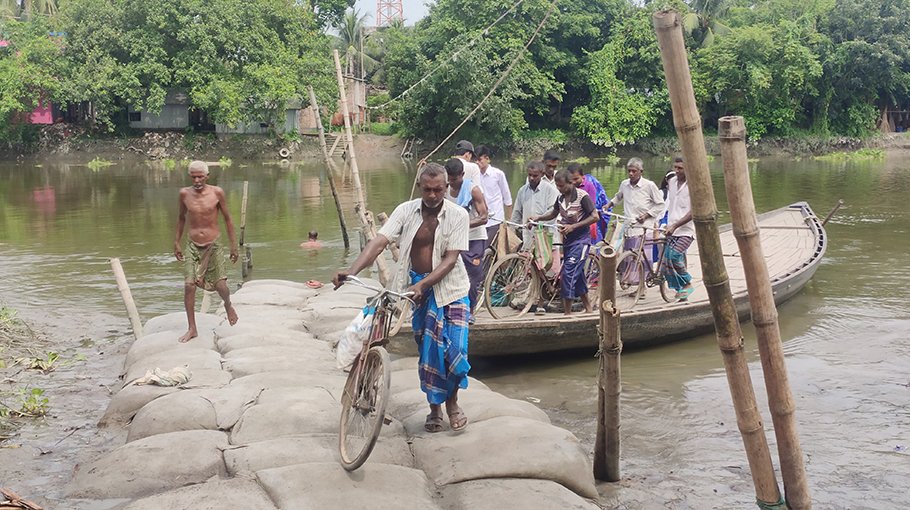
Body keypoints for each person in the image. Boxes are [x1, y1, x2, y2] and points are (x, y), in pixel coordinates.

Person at [332, 163, 471, 433]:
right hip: (415, 290)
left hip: (452, 290)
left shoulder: (457, 215)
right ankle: (435, 410)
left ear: (446, 188)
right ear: (420, 186)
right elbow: (379, 242)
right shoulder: (406, 211)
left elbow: (451, 259)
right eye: (427, 190)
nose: (432, 195)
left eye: (438, 190)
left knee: (455, 351)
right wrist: (351, 270)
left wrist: (425, 285)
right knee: (429, 352)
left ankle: (453, 403)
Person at [174, 161, 239, 342]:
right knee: (189, 285)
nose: (197, 180)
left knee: (221, 286)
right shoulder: (184, 194)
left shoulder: (217, 193)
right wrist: (176, 242)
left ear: (207, 176)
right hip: (192, 244)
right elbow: (181, 218)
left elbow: (228, 219)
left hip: (214, 243)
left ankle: (227, 304)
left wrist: (234, 245)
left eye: (200, 176)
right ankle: (192, 328)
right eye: (193, 176)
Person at [529, 170, 599, 315]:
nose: (559, 189)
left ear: (571, 183)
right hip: (568, 241)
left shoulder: (582, 197)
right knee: (577, 276)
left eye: (562, 186)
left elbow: (594, 216)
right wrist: (538, 218)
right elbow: (554, 213)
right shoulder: (560, 198)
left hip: (581, 241)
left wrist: (573, 226)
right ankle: (588, 308)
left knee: (568, 274)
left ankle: (567, 313)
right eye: (557, 186)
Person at [602, 158, 665, 287]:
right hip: (630, 225)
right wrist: (608, 205)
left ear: (641, 171)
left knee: (642, 258)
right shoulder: (625, 184)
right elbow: (618, 196)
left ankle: (642, 287)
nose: (631, 174)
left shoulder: (649, 185)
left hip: (644, 226)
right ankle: (630, 280)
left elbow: (660, 204)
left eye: (634, 171)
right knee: (629, 256)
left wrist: (646, 215)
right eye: (629, 171)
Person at [444, 158, 489, 319]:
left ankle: (469, 311)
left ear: (462, 175)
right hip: (455, 238)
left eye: (455, 179)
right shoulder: (445, 189)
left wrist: (463, 224)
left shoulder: (473, 190)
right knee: (450, 272)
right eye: (449, 178)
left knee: (472, 275)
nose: (452, 182)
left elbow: (484, 217)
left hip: (474, 238)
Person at [662, 158, 695, 301]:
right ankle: (680, 290)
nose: (677, 171)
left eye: (680, 168)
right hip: (671, 227)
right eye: (675, 167)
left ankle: (687, 283)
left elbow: (694, 211)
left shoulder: (694, 185)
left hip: (686, 231)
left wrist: (675, 225)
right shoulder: (672, 182)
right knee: (665, 262)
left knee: (673, 256)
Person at [511, 161, 559, 251]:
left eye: (535, 176)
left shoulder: (550, 190)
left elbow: (553, 212)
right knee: (527, 263)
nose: (531, 178)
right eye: (529, 175)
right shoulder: (522, 191)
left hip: (546, 236)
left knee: (548, 263)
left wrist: (538, 222)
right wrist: (512, 230)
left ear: (542, 174)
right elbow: (517, 213)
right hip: (528, 237)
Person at [475, 145, 512, 246]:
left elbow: (507, 198)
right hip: (480, 219)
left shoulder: (498, 174)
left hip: (496, 219)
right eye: (476, 160)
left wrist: (508, 221)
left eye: (480, 160)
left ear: (487, 159)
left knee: (490, 248)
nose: (477, 163)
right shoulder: (475, 175)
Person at [566, 163, 609, 243]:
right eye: (572, 180)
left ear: (583, 176)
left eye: (576, 179)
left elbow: (591, 206)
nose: (574, 182)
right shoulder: (568, 187)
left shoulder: (589, 186)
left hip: (586, 220)